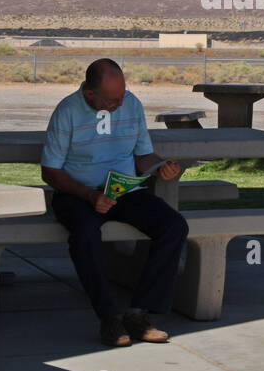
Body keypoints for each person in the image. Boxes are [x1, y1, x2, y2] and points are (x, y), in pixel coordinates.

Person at [41, 58, 186, 347]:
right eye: (112, 100)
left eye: (122, 96)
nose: (119, 104)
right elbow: (50, 172)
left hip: (123, 191)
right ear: (89, 94)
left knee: (174, 226)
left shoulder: (131, 104)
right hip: (77, 194)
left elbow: (142, 155)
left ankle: (138, 313)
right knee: (85, 235)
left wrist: (160, 166)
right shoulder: (67, 111)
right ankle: (109, 318)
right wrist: (90, 196)